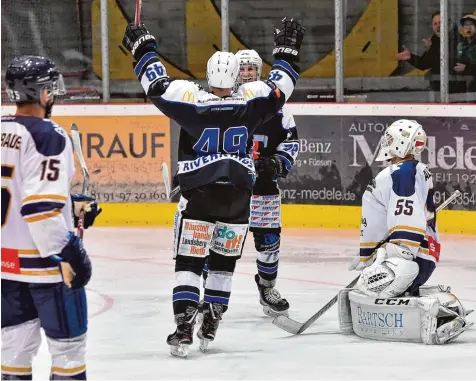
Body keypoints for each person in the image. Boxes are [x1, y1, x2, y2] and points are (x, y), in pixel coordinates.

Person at [122, 18, 304, 357]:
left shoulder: (190, 100)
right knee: (223, 265)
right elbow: (282, 85)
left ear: (208, 77)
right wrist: (287, 53)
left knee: (189, 263)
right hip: (238, 199)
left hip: (201, 197)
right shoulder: (252, 101)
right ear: (236, 78)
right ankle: (212, 320)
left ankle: (183, 329)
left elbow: (156, 86)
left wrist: (143, 49)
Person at [1, 55, 100, 380]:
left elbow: (19, 194)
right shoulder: (48, 135)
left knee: (14, 352)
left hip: (5, 264)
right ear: (43, 93)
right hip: (46, 266)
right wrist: (70, 249)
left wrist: (69, 206)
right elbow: (40, 209)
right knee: (69, 353)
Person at [340, 119, 472, 345]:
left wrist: (398, 250)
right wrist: (368, 255)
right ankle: (438, 299)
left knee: (370, 285)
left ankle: (432, 311)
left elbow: (406, 220)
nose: (387, 143)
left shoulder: (401, 173)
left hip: (409, 256)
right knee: (368, 282)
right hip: (418, 254)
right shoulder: (409, 171)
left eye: (391, 139)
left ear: (403, 143)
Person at [235, 49, 299, 316]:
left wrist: (277, 162)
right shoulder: (223, 102)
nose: (247, 73)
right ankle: (208, 294)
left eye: (252, 69)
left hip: (263, 186)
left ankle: (266, 286)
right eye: (243, 69)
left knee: (269, 240)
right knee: (219, 239)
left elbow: (291, 141)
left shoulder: (277, 106)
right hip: (231, 187)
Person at [396, 11, 460, 93]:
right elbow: (424, 64)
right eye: (435, 24)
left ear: (449, 23)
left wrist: (432, 49)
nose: (438, 26)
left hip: (456, 91)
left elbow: (451, 62)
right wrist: (410, 57)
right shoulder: (435, 41)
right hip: (437, 90)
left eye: (441, 22)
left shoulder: (459, 40)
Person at [455, 14, 476, 93]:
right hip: (462, 88)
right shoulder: (460, 45)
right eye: (465, 25)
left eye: (471, 24)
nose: (468, 27)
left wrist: (467, 68)